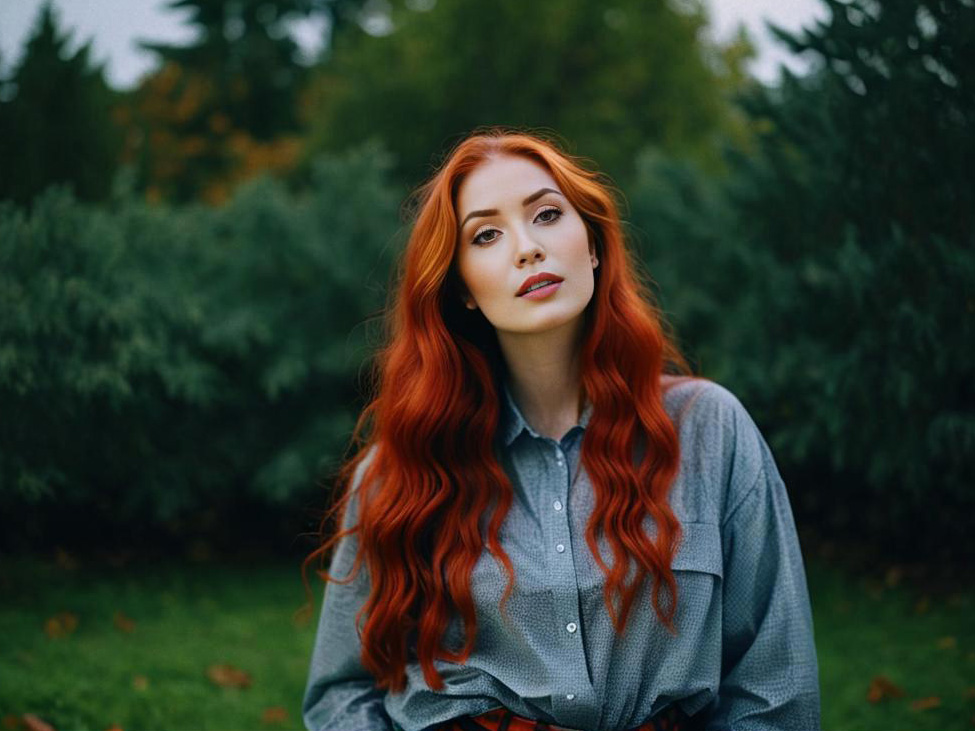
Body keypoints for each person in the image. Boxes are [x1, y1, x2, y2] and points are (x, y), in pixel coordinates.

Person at [302, 129, 820, 731]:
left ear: (594, 246)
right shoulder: (400, 470)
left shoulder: (711, 430)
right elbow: (342, 694)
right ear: (462, 288)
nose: (527, 248)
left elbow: (774, 684)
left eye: (547, 215)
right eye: (486, 234)